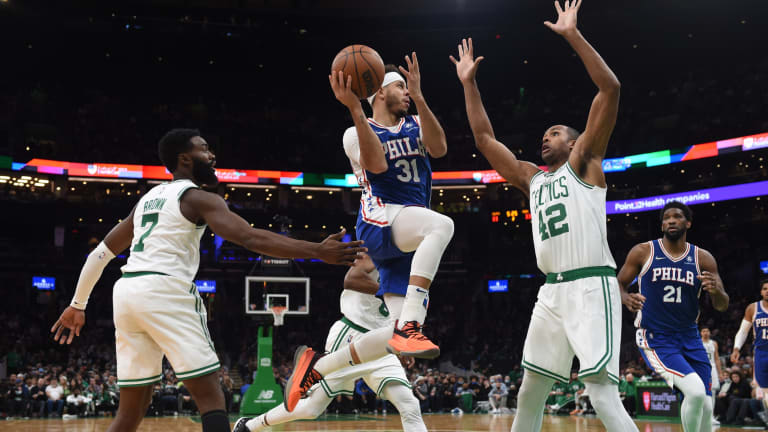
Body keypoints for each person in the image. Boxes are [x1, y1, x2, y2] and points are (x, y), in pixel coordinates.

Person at [49, 129, 366, 432]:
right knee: (211, 394)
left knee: (132, 409)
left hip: (127, 293)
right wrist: (316, 251)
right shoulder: (198, 198)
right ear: (184, 158)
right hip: (165, 289)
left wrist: (78, 304)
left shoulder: (147, 200)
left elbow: (100, 254)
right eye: (204, 149)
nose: (212, 155)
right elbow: (249, 237)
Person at [451, 0, 635, 430]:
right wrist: (469, 84)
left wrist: (573, 35)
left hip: (591, 285)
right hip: (551, 291)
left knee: (601, 394)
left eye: (555, 133)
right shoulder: (532, 179)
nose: (545, 138)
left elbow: (610, 89)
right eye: (544, 135)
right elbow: (484, 139)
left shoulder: (585, 162)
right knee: (529, 390)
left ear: (574, 142)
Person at [283, 54, 454, 411]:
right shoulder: (354, 132)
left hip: (408, 228)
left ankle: (315, 369)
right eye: (400, 87)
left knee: (392, 333)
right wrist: (354, 108)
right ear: (380, 92)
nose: (406, 93)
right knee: (442, 224)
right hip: (380, 219)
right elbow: (377, 166)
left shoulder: (415, 122)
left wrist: (420, 97)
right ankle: (411, 325)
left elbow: (439, 149)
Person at [234, 254, 427, 432]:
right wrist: (392, 291)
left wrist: (405, 345)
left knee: (409, 404)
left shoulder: (417, 262)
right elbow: (351, 280)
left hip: (382, 341)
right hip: (351, 335)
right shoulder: (378, 247)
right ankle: (250, 426)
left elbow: (406, 313)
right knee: (311, 409)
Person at [618, 201, 728, 432]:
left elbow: (722, 305)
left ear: (688, 223)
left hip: (690, 337)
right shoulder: (643, 252)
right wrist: (625, 298)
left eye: (677, 216)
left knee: (707, 405)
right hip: (656, 337)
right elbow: (618, 285)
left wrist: (716, 291)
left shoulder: (703, 258)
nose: (671, 221)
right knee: (695, 393)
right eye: (666, 218)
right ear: (661, 226)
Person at [731, 278, 768, 424]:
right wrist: (736, 348)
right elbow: (743, 331)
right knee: (764, 392)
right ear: (761, 291)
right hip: (761, 353)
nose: (767, 291)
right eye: (765, 288)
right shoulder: (753, 308)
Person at [701, 326, 723, 424]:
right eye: (703, 331)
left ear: (710, 333)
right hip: (701, 368)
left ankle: (711, 416)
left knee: (712, 392)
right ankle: (702, 415)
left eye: (707, 331)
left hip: (712, 368)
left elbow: (717, 358)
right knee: (701, 392)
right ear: (701, 333)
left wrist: (720, 373)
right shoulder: (698, 342)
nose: (705, 333)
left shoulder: (714, 343)